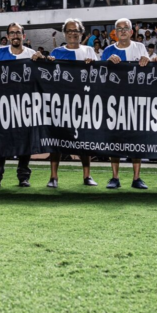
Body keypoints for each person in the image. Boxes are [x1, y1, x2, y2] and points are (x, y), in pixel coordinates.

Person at [0, 23, 40, 188]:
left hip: (25, 106)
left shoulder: (32, 55)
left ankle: (23, 176)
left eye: (18, 33)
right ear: (8, 36)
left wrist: (43, 61)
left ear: (23, 36)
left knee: (25, 142)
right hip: (3, 105)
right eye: (12, 33)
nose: (15, 36)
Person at [47, 19, 98, 188]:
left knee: (84, 140)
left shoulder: (89, 50)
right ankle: (53, 177)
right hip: (61, 102)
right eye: (69, 31)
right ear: (65, 33)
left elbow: (99, 75)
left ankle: (87, 175)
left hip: (84, 101)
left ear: (81, 33)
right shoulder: (57, 52)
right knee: (57, 140)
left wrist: (94, 66)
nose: (72, 33)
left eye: (75, 30)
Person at [101, 18, 150, 189]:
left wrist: (147, 60)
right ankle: (115, 177)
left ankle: (137, 178)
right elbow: (100, 75)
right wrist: (107, 63)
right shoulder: (108, 50)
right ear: (114, 32)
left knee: (136, 139)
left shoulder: (140, 47)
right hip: (114, 101)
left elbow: (150, 68)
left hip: (136, 101)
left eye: (125, 28)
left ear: (131, 31)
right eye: (119, 28)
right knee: (114, 139)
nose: (122, 31)